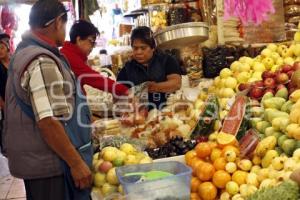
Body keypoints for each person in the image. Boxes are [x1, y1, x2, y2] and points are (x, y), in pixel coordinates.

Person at [3, 1, 92, 200]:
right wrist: (76, 163)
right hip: (51, 167)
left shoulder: (25, 52)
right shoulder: (42, 61)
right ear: (58, 22)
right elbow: (48, 121)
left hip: (40, 163)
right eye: (65, 24)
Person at [117, 26, 182, 109]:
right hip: (139, 116)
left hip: (167, 112)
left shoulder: (167, 60)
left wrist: (153, 87)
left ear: (153, 48)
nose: (138, 52)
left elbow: (176, 83)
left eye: (143, 48)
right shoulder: (127, 69)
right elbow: (117, 96)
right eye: (135, 48)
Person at [60, 20, 128, 98]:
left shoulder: (71, 53)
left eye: (94, 43)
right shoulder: (69, 56)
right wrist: (125, 91)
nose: (93, 46)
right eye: (91, 42)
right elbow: (95, 79)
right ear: (79, 40)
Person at [0, 33, 10, 151]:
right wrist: (4, 106)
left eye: (2, 48)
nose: (0, 51)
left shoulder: (14, 62)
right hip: (5, 106)